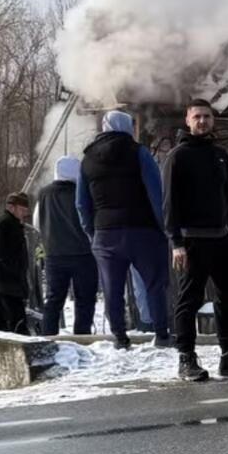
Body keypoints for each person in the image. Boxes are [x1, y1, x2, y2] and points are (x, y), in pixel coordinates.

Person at [162, 99, 228, 382]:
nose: (202, 121)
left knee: (227, 298)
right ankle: (186, 358)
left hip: (222, 239)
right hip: (192, 241)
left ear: (213, 119)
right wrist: (176, 243)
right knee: (189, 301)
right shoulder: (177, 157)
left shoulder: (219, 154)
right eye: (197, 117)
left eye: (207, 116)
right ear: (187, 120)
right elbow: (169, 204)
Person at [77, 110, 170, 350]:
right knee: (154, 284)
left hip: (105, 234)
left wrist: (93, 233)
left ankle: (120, 337)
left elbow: (81, 203)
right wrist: (163, 227)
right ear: (128, 126)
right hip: (143, 231)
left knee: (112, 288)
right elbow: (155, 192)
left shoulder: (87, 160)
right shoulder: (139, 152)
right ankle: (161, 334)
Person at [35, 155, 98, 336]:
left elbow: (37, 222)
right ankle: (82, 336)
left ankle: (49, 336)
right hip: (83, 253)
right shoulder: (84, 191)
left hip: (54, 254)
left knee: (53, 299)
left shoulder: (44, 194)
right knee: (85, 299)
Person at [0, 192, 31, 335]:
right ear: (12, 207)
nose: (24, 213)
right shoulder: (6, 223)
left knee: (2, 322)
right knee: (16, 321)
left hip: (6, 281)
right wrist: (16, 273)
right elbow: (1, 252)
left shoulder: (13, 223)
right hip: (7, 281)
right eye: (22, 209)